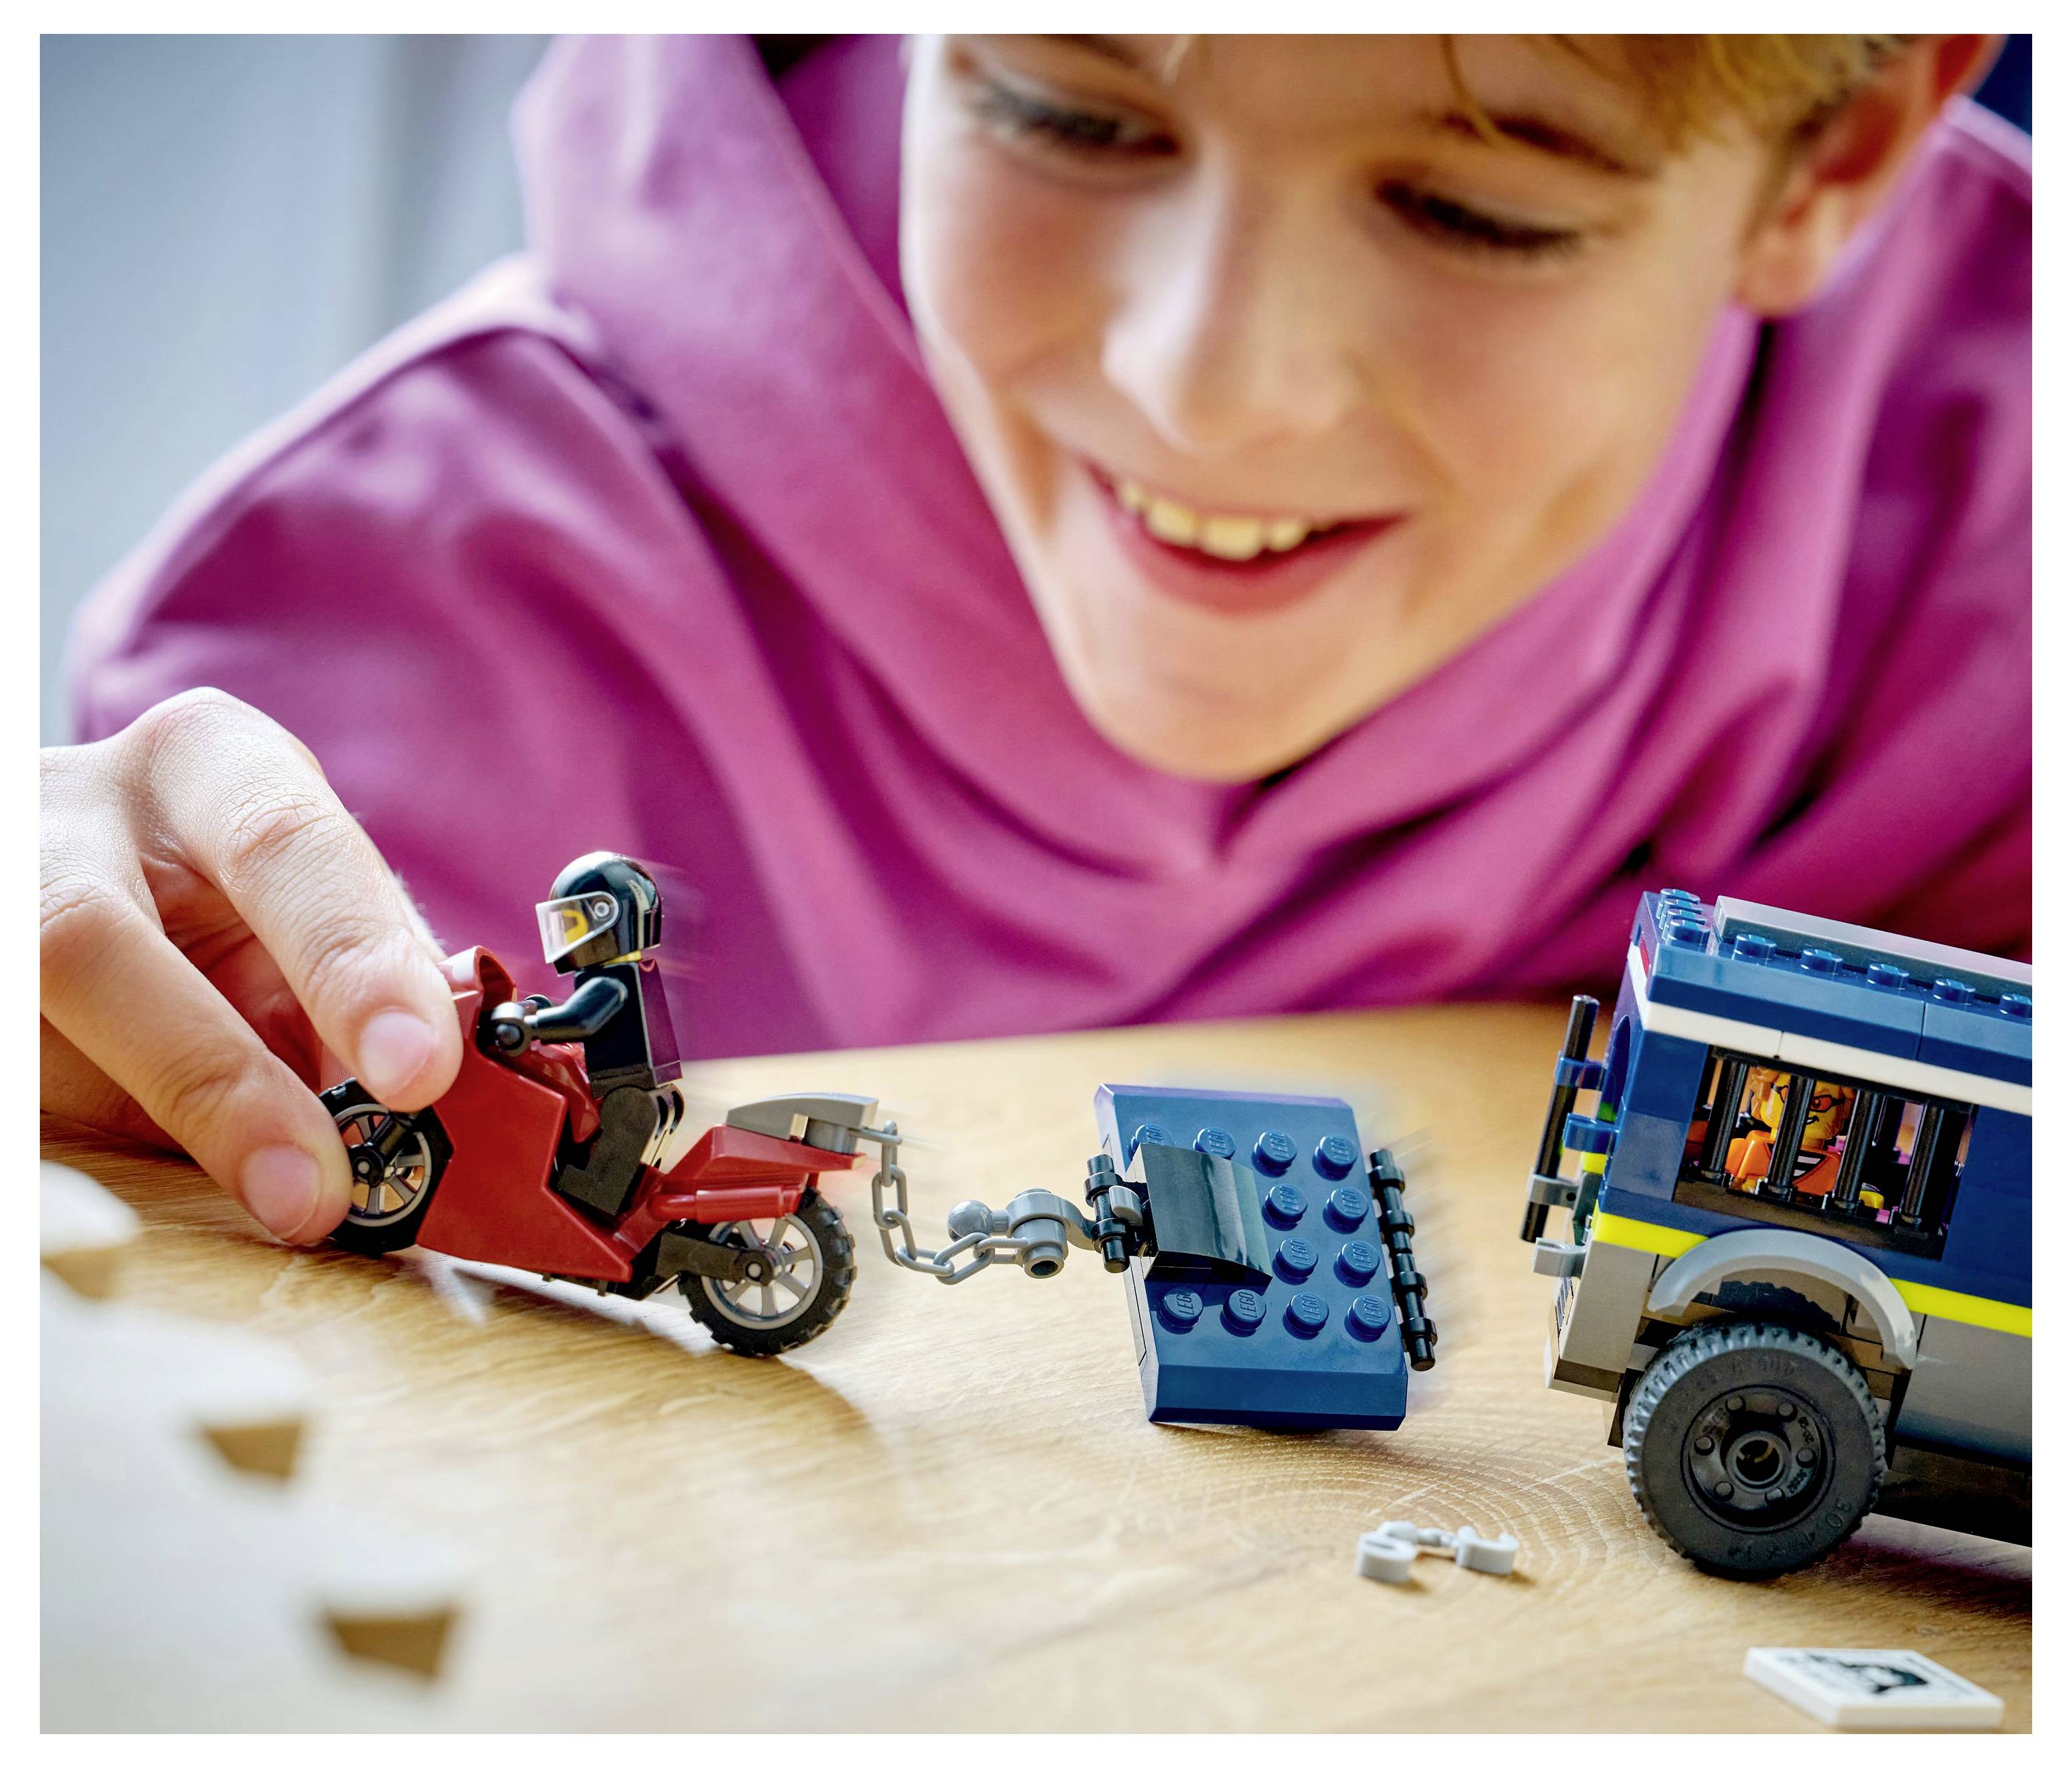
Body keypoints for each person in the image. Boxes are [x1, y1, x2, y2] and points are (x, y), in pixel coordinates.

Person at [41, 35, 2030, 1246]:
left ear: (1834, 157)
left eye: (1471, 211)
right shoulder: (385, 613)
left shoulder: (1997, 547)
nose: (1208, 384)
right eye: (1066, 117)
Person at [488, 852, 682, 1216]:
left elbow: (582, 1020)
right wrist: (545, 1011)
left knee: (608, 1166)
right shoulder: (633, 972)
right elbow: (581, 1013)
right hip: (644, 1088)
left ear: (604, 918)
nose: (566, 937)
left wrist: (529, 1026)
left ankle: (584, 1201)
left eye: (572, 924)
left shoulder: (611, 981)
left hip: (628, 1094)